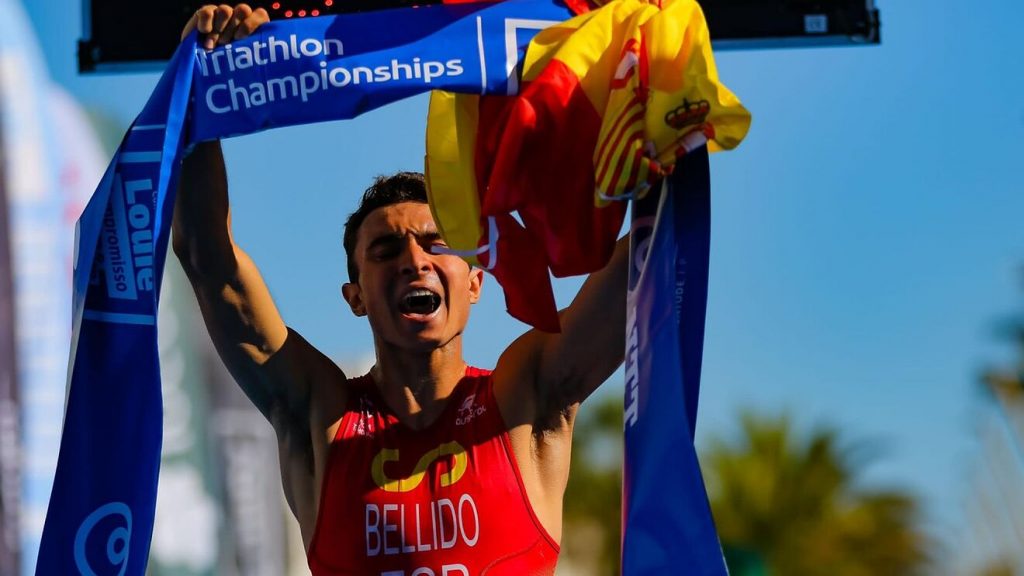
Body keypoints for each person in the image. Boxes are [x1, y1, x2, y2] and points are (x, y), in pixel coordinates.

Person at [174, 5, 628, 575]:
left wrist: (659, 106)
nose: (414, 260)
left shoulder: (527, 398)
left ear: (477, 280)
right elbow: (208, 261)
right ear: (355, 296)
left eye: (438, 244)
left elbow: (640, 272)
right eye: (385, 251)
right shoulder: (322, 415)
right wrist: (199, 89)